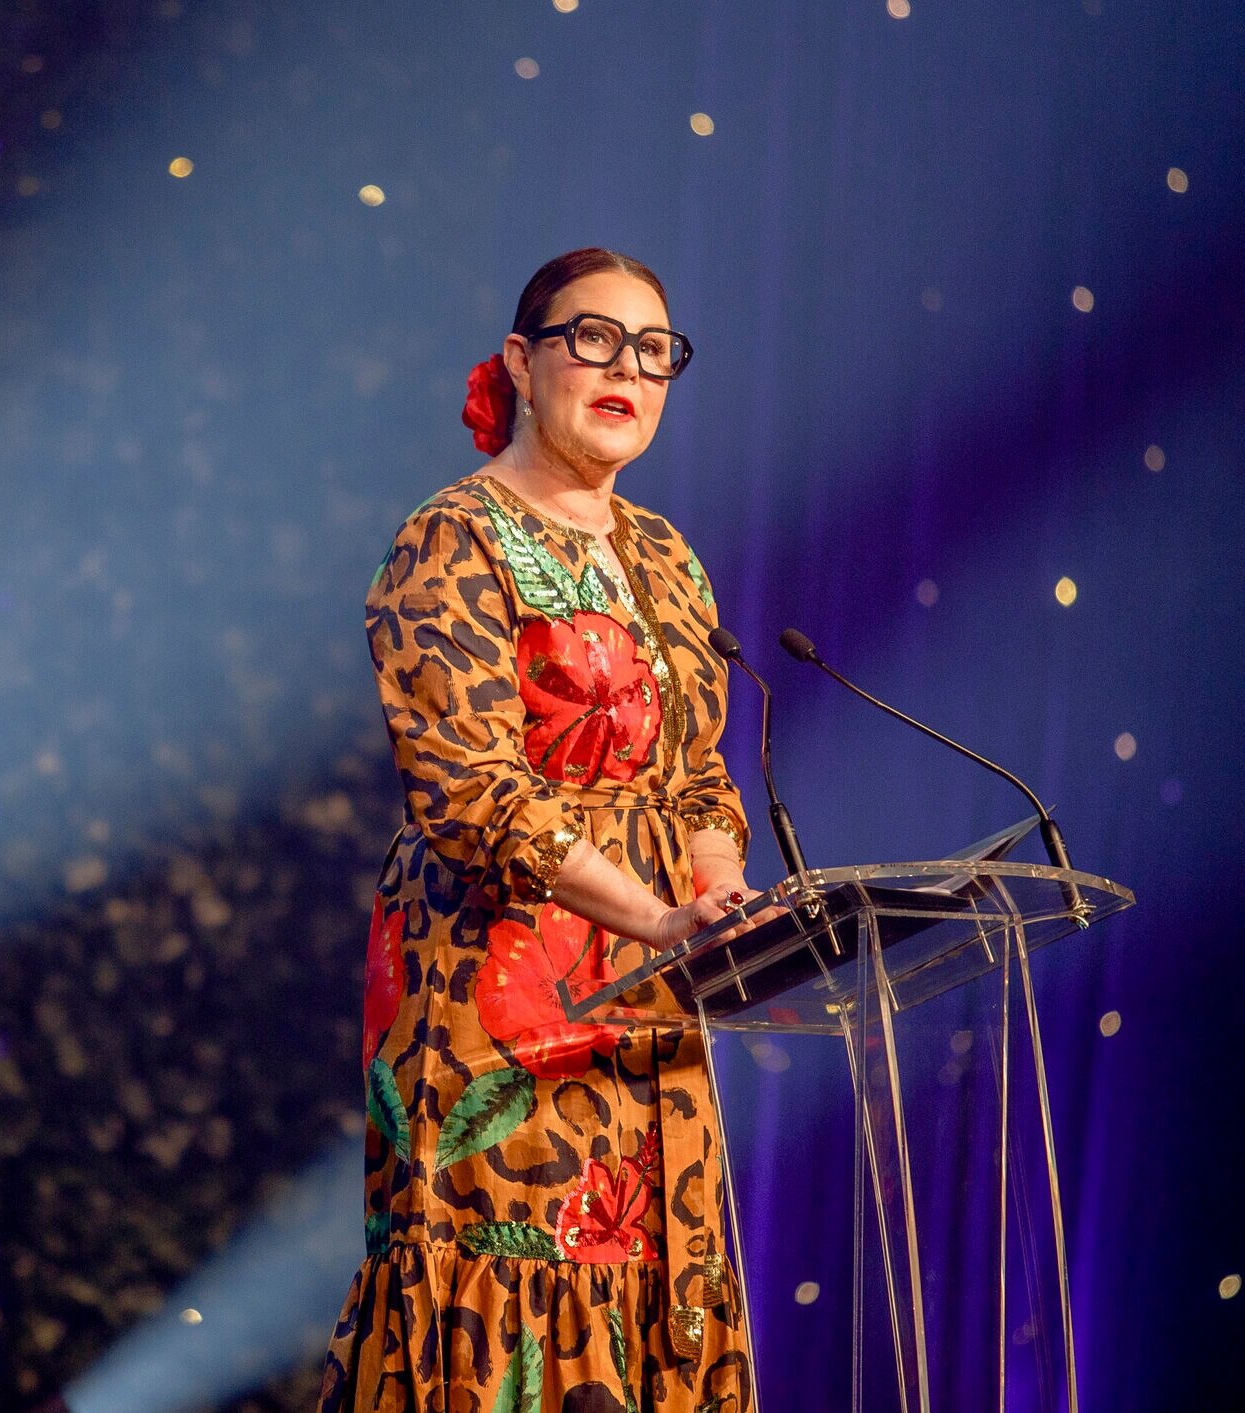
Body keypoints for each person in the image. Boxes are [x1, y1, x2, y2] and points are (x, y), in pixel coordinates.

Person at [319, 249, 769, 1412]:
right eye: (595, 339)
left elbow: (699, 776)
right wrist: (657, 913)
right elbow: (473, 789)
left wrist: (713, 894)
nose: (630, 369)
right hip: (498, 989)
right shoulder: (451, 538)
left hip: (656, 993)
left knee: (647, 1288)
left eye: (655, 351)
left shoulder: (667, 556)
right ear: (523, 362)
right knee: (510, 1305)